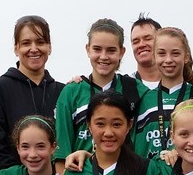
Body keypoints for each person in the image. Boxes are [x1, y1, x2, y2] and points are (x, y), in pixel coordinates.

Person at [0, 15, 63, 171]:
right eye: (26, 43)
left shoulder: (64, 92)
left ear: (49, 47)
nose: (34, 49)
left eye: (40, 42)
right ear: (16, 48)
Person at [52, 19, 143, 160]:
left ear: (122, 52)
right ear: (88, 49)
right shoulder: (71, 92)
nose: (104, 56)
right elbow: (62, 148)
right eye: (97, 49)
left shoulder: (135, 88)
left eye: (111, 50)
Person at [132, 27, 193, 158]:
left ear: (186, 57)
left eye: (175, 53)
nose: (168, 60)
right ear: (154, 56)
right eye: (162, 53)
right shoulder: (143, 98)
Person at [129, 14, 162, 89]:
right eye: (136, 41)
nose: (141, 45)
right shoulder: (124, 87)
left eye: (148, 38)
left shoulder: (182, 86)